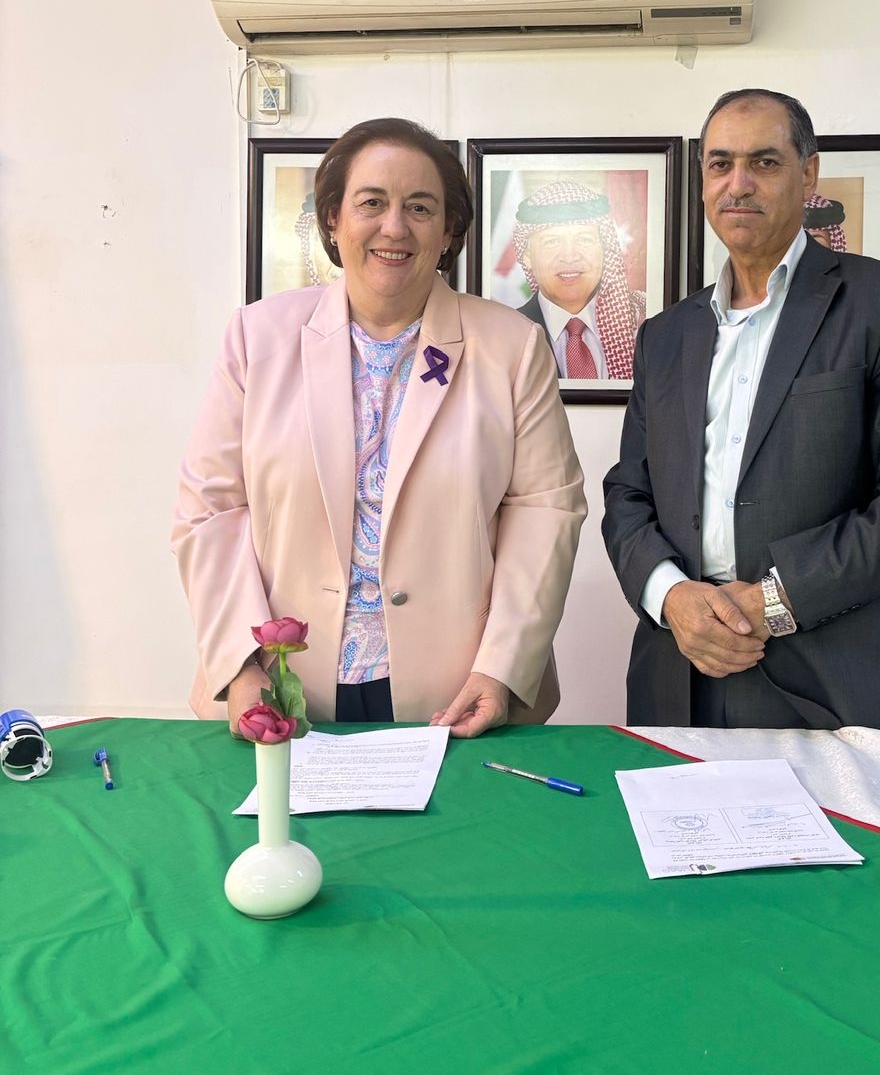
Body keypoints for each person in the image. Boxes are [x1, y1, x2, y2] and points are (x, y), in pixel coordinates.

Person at [173, 118, 586, 736]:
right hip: (281, 685)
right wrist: (241, 664)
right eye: (371, 202)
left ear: (449, 231)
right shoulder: (257, 338)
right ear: (333, 219)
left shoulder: (512, 347)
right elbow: (210, 510)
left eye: (420, 207)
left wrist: (501, 667)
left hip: (459, 691)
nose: (394, 226)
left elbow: (546, 510)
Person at [602, 88, 880, 738]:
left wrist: (771, 602)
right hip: (683, 673)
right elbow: (629, 493)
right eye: (720, 164)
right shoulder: (665, 335)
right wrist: (671, 596)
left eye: (764, 162)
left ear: (809, 174)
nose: (738, 184)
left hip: (843, 682)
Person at [511, 180, 646, 380]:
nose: (570, 256)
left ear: (605, 250)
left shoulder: (643, 318)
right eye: (552, 241)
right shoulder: (505, 330)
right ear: (527, 256)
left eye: (584, 239)